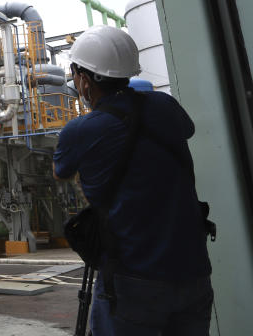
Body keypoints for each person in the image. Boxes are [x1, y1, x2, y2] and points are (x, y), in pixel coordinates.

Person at [53, 25, 213, 335]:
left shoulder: (80, 130)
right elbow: (186, 130)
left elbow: (61, 171)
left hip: (132, 279)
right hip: (193, 270)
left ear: (84, 80)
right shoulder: (166, 107)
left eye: (74, 75)